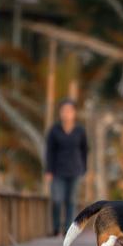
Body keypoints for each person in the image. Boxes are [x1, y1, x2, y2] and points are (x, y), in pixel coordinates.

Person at [45, 99, 88, 236]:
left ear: (74, 113)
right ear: (60, 113)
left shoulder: (80, 130)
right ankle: (56, 227)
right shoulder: (54, 130)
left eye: (69, 111)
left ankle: (68, 229)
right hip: (57, 170)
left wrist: (84, 168)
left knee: (71, 201)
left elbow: (85, 150)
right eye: (64, 111)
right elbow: (49, 151)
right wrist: (48, 170)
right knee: (57, 199)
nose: (66, 114)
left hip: (75, 169)